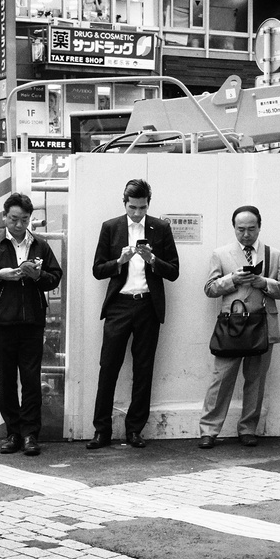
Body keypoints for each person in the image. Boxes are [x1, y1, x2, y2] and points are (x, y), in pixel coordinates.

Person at [0, 193, 63, 456]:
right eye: (13, 219)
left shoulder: (40, 245)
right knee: (6, 378)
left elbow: (55, 277)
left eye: (24, 219)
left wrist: (38, 275)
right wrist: (1, 275)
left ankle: (31, 434)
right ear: (4, 217)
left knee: (31, 379)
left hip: (32, 321)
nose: (19, 225)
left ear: (30, 219)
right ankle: (13, 433)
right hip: (0, 321)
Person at [88, 179, 180, 449]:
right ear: (124, 202)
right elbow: (97, 269)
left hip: (148, 305)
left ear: (148, 204)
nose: (137, 213)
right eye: (132, 208)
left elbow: (173, 271)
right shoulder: (111, 227)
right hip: (119, 304)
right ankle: (101, 430)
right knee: (108, 368)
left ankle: (134, 430)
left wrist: (152, 259)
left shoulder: (160, 227)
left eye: (142, 208)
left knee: (144, 369)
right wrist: (120, 261)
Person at [198, 205, 280, 449]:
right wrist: (232, 280)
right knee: (221, 379)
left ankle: (248, 428)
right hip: (232, 325)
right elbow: (209, 289)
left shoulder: (274, 254)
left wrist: (263, 282)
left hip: (262, 324)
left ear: (259, 227)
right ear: (234, 229)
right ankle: (209, 431)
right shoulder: (221, 254)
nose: (246, 234)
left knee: (256, 380)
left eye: (251, 229)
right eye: (241, 230)